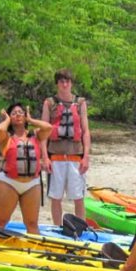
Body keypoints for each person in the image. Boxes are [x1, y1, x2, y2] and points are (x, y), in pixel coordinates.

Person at [41, 69, 90, 225]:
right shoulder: (49, 103)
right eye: (61, 81)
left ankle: (81, 227)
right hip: (56, 157)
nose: (64, 84)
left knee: (78, 196)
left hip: (76, 156)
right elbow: (43, 132)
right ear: (57, 84)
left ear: (71, 83)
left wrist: (86, 156)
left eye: (67, 81)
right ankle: (57, 227)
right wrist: (45, 157)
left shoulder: (80, 103)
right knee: (56, 196)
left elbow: (85, 130)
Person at [0, 103, 52, 234]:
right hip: (9, 182)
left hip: (32, 184)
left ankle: (35, 251)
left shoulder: (36, 135)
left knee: (32, 224)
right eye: (14, 113)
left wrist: (31, 120)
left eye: (21, 112)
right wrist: (6, 120)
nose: (18, 114)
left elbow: (48, 127)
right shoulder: (6, 138)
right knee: (1, 221)